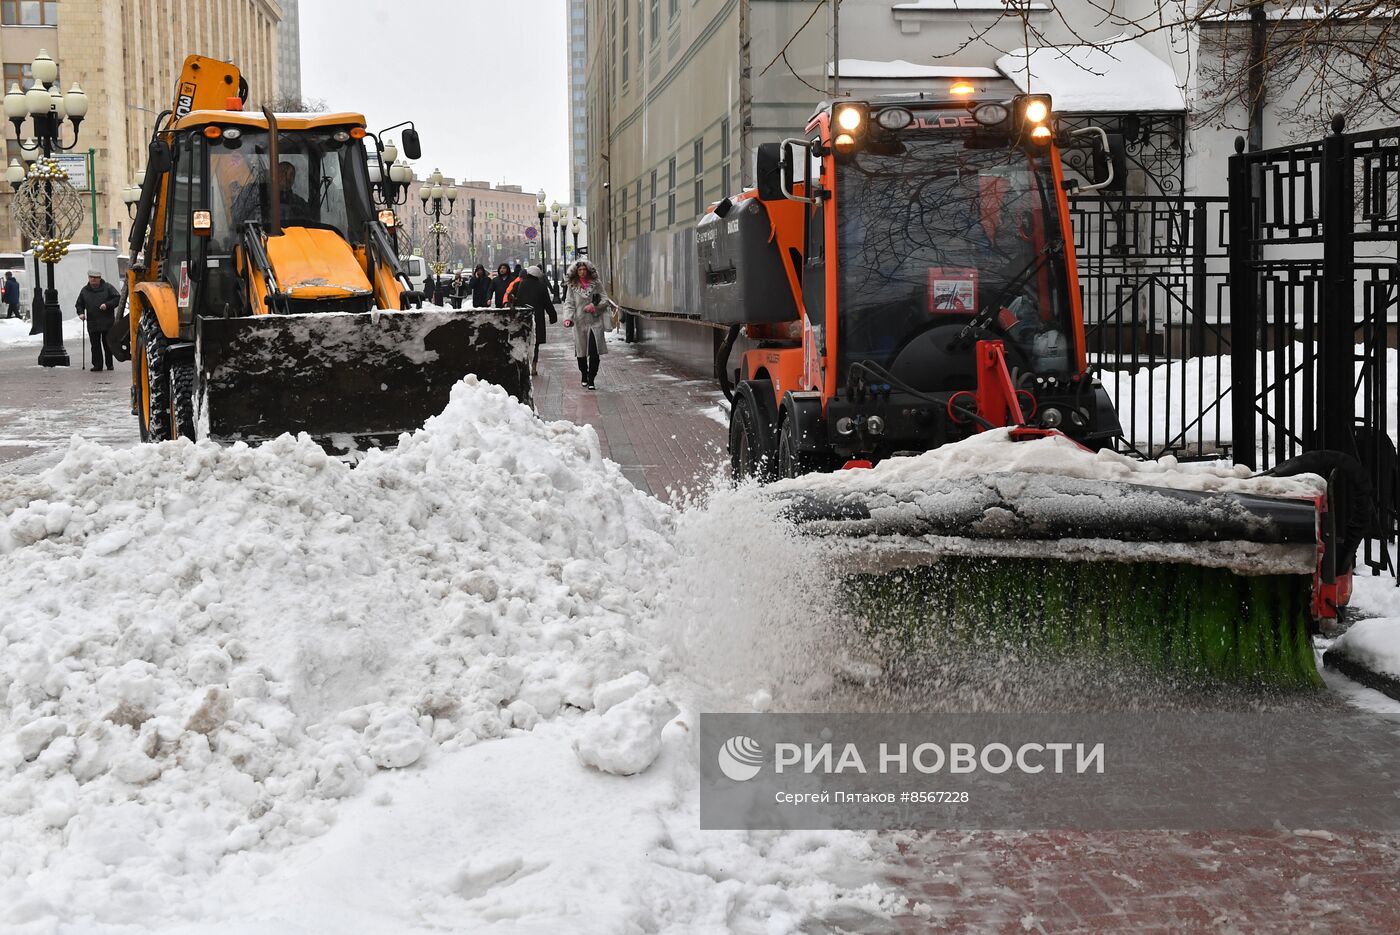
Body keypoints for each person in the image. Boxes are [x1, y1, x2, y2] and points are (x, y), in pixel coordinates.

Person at [562, 260, 613, 390]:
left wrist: (594, 306)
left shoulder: (596, 283)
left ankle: (591, 378)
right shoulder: (572, 286)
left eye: (584, 269)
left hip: (595, 322)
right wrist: (568, 318)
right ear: (576, 272)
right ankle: (584, 374)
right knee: (581, 352)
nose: (582, 272)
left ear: (589, 270)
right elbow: (569, 303)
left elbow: (605, 299)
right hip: (579, 322)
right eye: (580, 270)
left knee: (594, 352)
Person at [508, 265, 557, 375]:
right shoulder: (542, 286)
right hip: (537, 316)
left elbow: (514, 299)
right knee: (536, 343)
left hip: (524, 316)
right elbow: (547, 303)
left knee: (524, 341)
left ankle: (525, 365)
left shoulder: (520, 284)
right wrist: (553, 316)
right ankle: (533, 367)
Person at [75, 270, 121, 372]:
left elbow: (117, 298)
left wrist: (107, 305)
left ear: (100, 279)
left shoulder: (108, 287)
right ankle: (97, 365)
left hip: (107, 321)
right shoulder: (85, 290)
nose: (93, 280)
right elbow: (79, 304)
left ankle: (109, 364)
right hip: (92, 322)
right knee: (95, 345)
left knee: (107, 344)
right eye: (91, 277)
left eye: (95, 278)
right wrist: (81, 313)